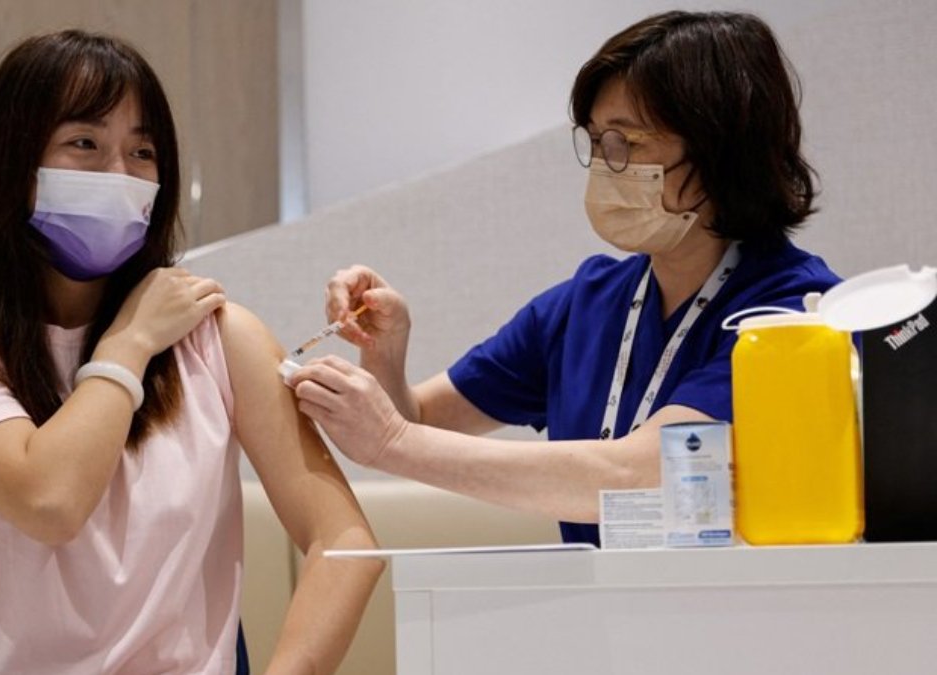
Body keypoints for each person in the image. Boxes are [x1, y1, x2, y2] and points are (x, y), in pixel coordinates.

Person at [0, 30, 380, 674]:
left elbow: (344, 541)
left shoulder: (222, 339)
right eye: (84, 144)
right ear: (14, 162)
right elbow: (50, 501)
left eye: (142, 152)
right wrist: (131, 342)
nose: (119, 176)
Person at [287, 11, 841, 547]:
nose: (605, 165)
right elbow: (423, 424)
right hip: (595, 605)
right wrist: (386, 351)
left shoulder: (793, 312)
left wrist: (391, 440)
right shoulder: (586, 304)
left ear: (721, 151)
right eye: (597, 142)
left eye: (627, 143)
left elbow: (646, 472)